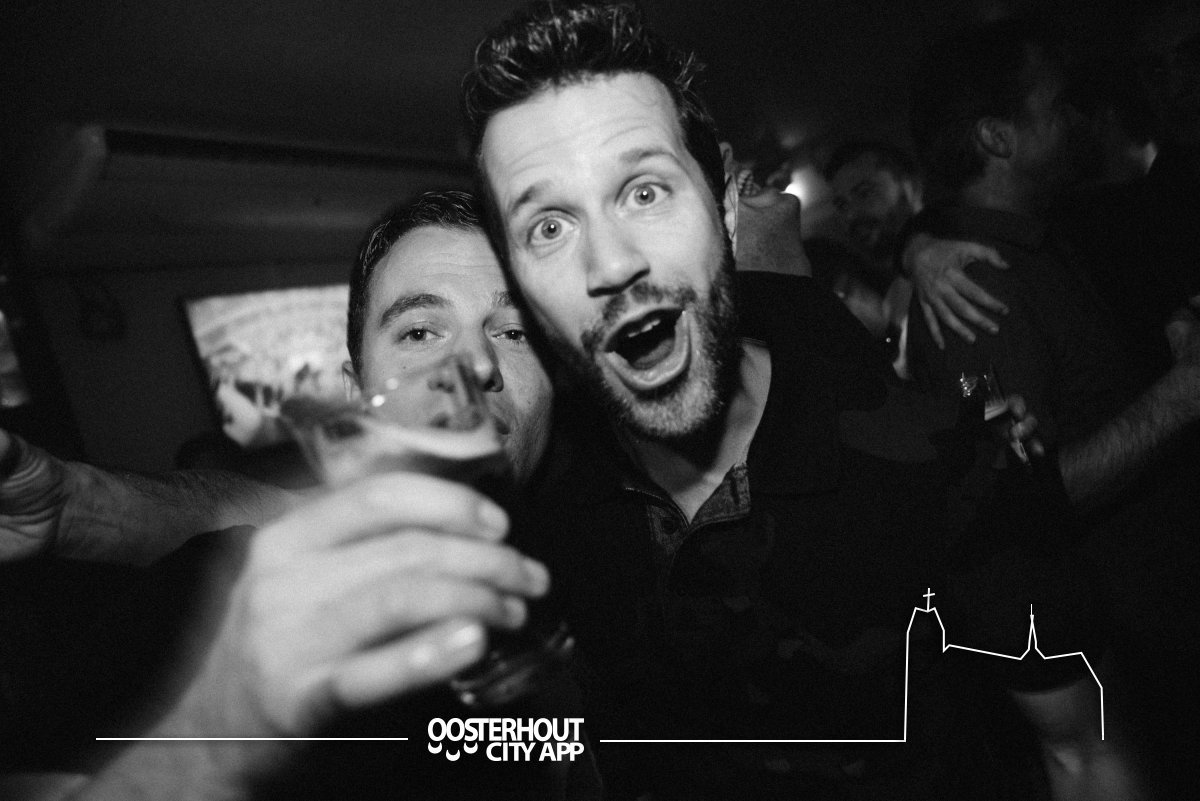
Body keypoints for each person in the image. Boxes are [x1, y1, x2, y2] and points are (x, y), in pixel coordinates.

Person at [463, 3, 1135, 798]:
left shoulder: (942, 467)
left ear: (724, 208)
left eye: (644, 191)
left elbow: (1084, 751)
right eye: (547, 227)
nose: (611, 264)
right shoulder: (536, 522)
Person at [0, 191, 561, 800]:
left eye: (514, 331)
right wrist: (218, 736)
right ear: (358, 392)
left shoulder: (607, 516)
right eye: (420, 331)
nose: (473, 363)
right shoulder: (214, 604)